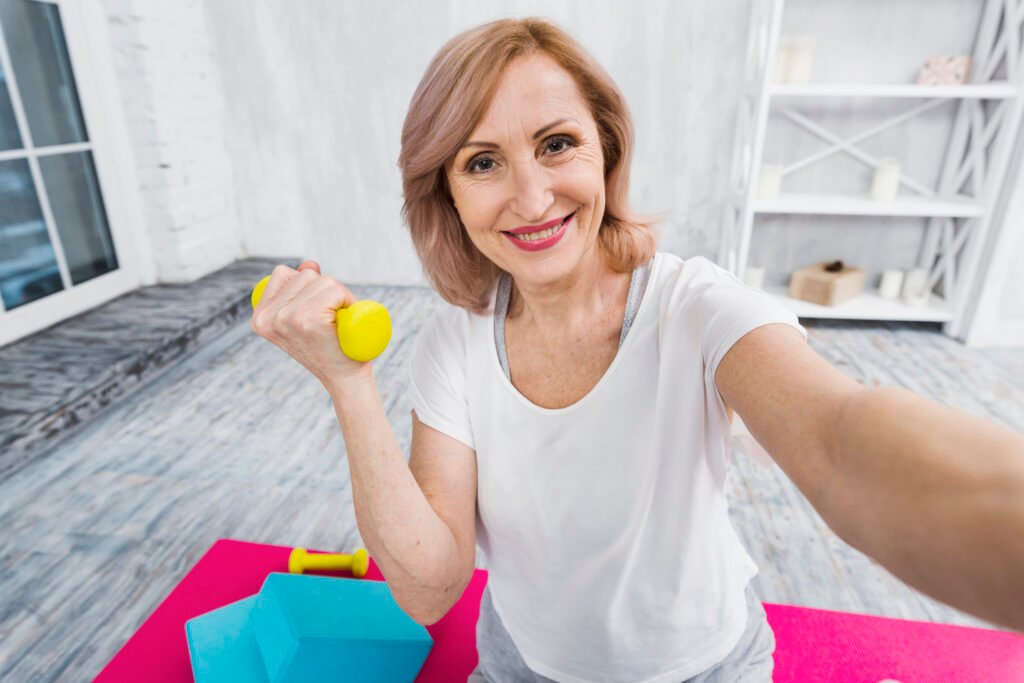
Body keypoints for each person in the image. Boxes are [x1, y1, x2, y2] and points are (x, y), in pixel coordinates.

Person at [250, 17, 1024, 683]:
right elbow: (428, 588)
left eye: (556, 145)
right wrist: (349, 384)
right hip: (522, 663)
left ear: (607, 153)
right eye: (483, 161)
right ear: (447, 192)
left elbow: (842, 444)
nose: (529, 197)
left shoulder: (698, 307)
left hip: (704, 667)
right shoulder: (454, 341)